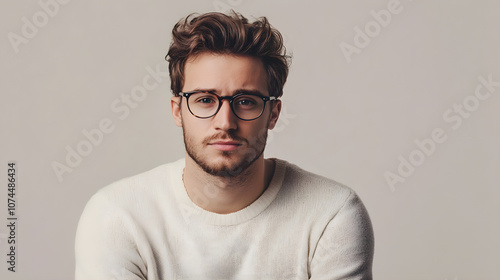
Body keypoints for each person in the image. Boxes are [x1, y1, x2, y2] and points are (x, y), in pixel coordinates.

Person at [75, 11, 374, 280]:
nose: (225, 122)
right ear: (178, 110)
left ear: (273, 113)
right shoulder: (117, 216)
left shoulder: (331, 215)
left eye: (246, 101)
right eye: (205, 100)